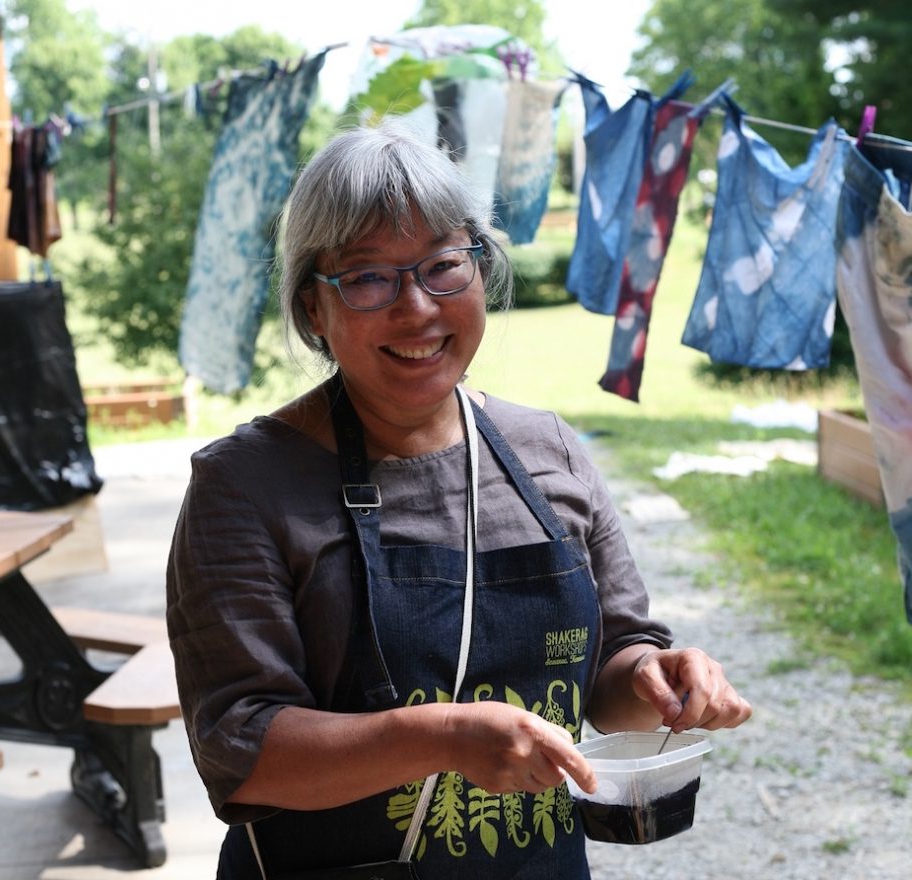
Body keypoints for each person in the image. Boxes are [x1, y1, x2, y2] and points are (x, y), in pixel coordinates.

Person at [166, 122, 752, 880]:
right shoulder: (245, 485)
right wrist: (444, 737)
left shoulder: (548, 453)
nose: (416, 308)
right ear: (315, 308)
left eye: (442, 265)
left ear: (479, 269)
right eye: (369, 277)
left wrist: (657, 679)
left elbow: (612, 667)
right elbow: (240, 752)